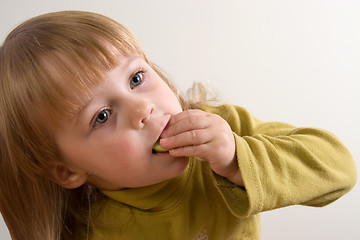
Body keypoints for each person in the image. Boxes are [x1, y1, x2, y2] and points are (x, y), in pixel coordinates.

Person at [0, 10, 356, 240]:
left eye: (136, 78)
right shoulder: (88, 229)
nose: (143, 108)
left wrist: (236, 159)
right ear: (66, 170)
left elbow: (339, 169)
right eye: (103, 116)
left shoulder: (226, 130)